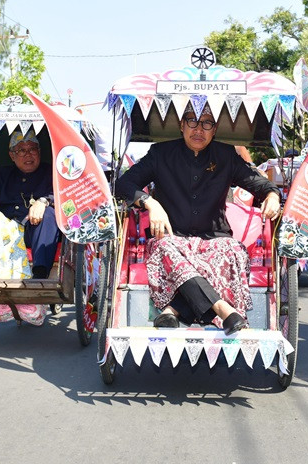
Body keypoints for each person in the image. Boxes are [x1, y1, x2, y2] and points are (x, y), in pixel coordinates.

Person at [114, 106, 281, 334]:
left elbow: (258, 183)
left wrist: (272, 195)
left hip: (214, 237)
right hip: (171, 236)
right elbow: (123, 184)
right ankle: (223, 309)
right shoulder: (160, 153)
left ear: (214, 130)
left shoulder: (226, 156)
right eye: (192, 121)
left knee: (231, 250)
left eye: (206, 123)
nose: (198, 129)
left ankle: (173, 310)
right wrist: (150, 203)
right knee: (164, 247)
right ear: (181, 125)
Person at [0, 131, 59, 280]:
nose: (28, 154)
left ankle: (40, 273)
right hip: (3, 231)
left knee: (49, 214)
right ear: (12, 155)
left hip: (34, 230)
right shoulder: (3, 174)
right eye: (22, 150)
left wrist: (43, 202)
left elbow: (60, 193)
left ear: (39, 152)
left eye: (32, 149)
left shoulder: (51, 172)